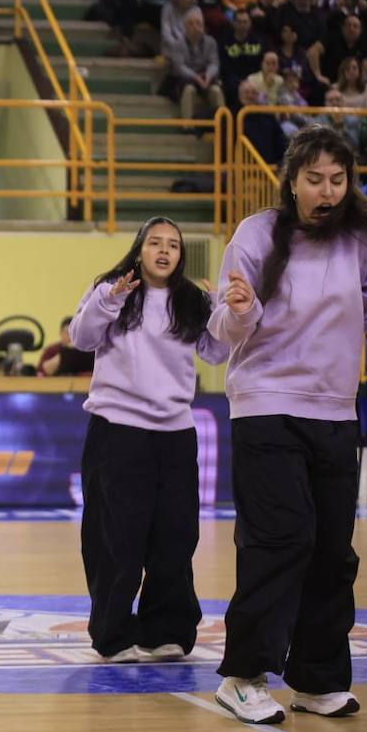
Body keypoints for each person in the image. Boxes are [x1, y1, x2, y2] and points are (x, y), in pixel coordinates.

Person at [209, 125, 367, 724]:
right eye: (314, 179)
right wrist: (239, 312)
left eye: (337, 180)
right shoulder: (255, 234)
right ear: (291, 182)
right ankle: (242, 676)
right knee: (280, 539)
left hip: (336, 412)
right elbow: (219, 332)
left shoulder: (361, 244)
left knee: (332, 552)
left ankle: (317, 678)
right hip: (266, 407)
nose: (326, 190)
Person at [70, 216, 227, 664]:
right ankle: (113, 632)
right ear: (139, 249)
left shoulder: (191, 300)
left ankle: (167, 631)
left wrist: (223, 310)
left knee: (176, 537)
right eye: (154, 242)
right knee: (116, 539)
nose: (164, 251)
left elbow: (217, 352)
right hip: (117, 431)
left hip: (175, 433)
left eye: (173, 245)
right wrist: (107, 301)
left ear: (180, 254)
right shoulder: (111, 288)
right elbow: (81, 338)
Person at [165, 9, 224, 120]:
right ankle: (188, 126)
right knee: (189, 90)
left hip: (206, 77)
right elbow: (179, 67)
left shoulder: (211, 42)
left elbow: (214, 64)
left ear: (203, 26)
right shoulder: (178, 44)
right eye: (191, 23)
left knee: (216, 91)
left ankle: (222, 124)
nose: (195, 27)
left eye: (198, 23)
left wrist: (207, 76)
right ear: (185, 27)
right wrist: (196, 78)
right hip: (187, 79)